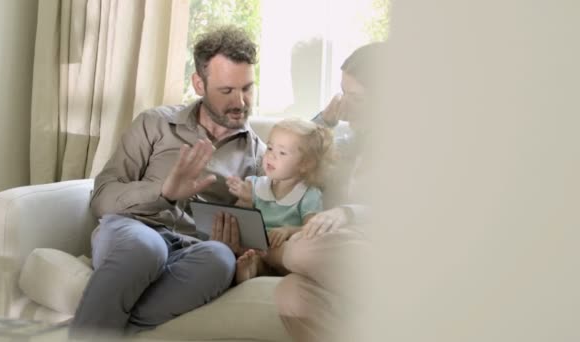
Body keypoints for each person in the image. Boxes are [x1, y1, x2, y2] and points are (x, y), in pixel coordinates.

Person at [69, 25, 265, 338]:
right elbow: (102, 198)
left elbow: (261, 224)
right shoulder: (154, 123)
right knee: (147, 248)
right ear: (199, 84)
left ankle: (105, 322)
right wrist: (163, 192)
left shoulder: (257, 154)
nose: (240, 102)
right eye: (227, 91)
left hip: (193, 249)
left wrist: (237, 245)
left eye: (247, 88)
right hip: (132, 230)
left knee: (220, 259)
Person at [275, 42, 381, 342]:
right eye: (342, 93)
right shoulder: (350, 139)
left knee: (298, 249)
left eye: (356, 98)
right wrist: (326, 121)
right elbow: (295, 157)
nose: (344, 105)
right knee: (290, 294)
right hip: (344, 250)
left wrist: (347, 213)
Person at [225, 118, 334, 283]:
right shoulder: (254, 185)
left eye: (282, 153)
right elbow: (239, 220)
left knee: (290, 251)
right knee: (251, 257)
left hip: (282, 253)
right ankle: (248, 271)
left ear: (305, 164)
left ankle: (253, 270)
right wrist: (244, 200)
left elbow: (313, 229)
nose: (270, 156)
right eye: (269, 148)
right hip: (254, 248)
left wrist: (288, 231)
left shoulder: (308, 193)